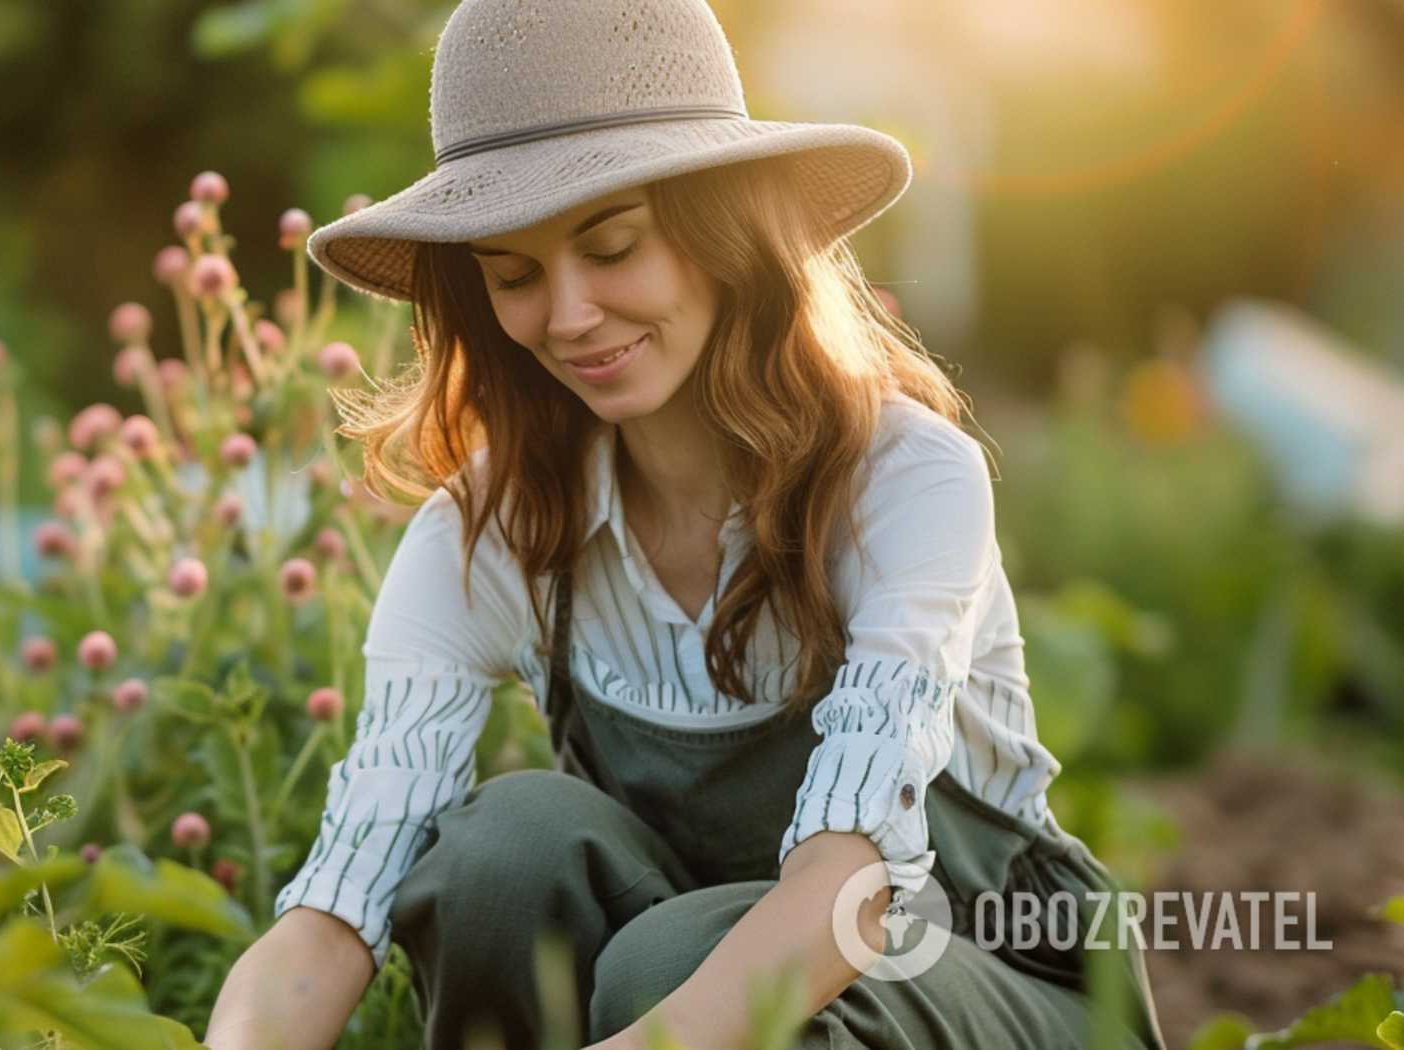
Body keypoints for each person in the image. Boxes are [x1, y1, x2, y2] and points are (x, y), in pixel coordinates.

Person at [205, 1, 1167, 1048]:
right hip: (702, 972)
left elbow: (851, 884)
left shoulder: (902, 480)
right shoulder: (489, 535)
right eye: (514, 276)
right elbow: (339, 907)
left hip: (981, 977)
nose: (567, 316)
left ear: (726, 232)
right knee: (505, 851)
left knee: (672, 967)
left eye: (612, 246)